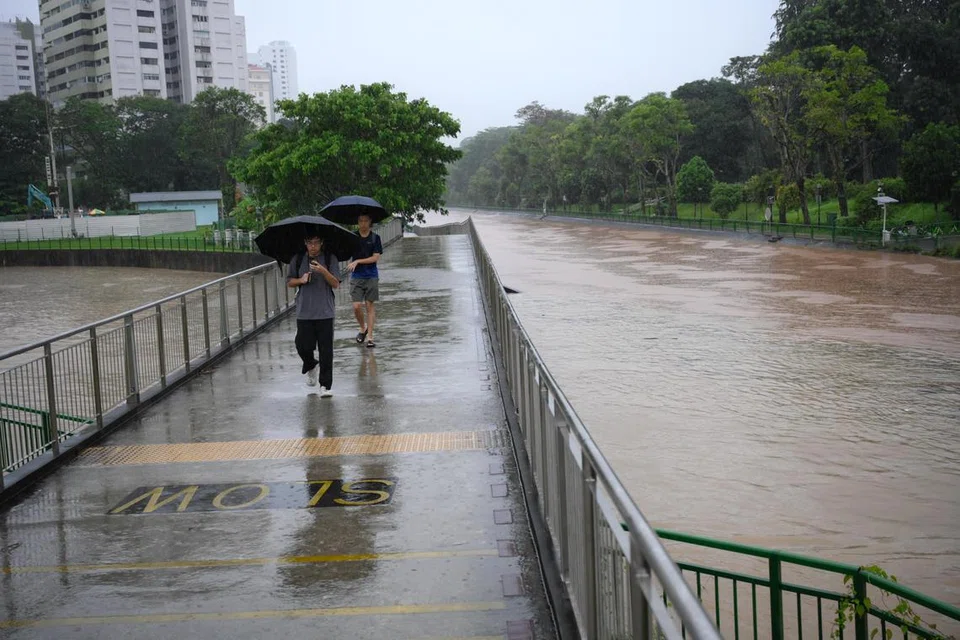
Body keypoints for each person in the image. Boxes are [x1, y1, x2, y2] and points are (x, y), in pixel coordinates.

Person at [287, 233, 340, 396]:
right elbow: (289, 282)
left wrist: (323, 271)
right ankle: (310, 365)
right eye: (310, 243)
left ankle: (325, 385)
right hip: (304, 311)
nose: (313, 246)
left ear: (322, 242)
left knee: (326, 351)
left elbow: (336, 283)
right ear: (305, 243)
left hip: (325, 311)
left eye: (317, 242)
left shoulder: (331, 259)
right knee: (302, 345)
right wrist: (301, 280)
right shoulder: (297, 259)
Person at [347, 213, 383, 348]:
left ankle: (370, 337)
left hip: (371, 276)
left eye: (365, 221)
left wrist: (358, 261)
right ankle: (363, 328)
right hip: (357, 276)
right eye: (360, 221)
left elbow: (375, 258)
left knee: (369, 305)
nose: (362, 223)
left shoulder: (375, 238)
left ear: (370, 222)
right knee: (356, 306)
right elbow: (346, 251)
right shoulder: (353, 237)